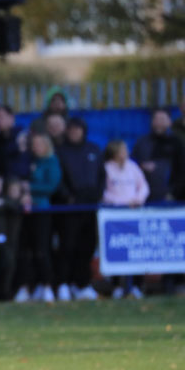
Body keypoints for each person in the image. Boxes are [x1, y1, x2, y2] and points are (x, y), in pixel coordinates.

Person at [56, 118, 105, 301]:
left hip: (90, 206)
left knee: (87, 246)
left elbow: (101, 175)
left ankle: (82, 283)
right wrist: (67, 196)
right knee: (68, 246)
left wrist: (97, 195)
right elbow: (58, 177)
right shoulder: (61, 151)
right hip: (70, 208)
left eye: (77, 129)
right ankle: (63, 283)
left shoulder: (94, 149)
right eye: (71, 129)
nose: (74, 132)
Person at [13, 133, 61, 304]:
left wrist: (29, 188)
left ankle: (47, 286)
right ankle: (25, 287)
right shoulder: (28, 160)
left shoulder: (51, 162)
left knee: (42, 249)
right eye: (33, 144)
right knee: (24, 250)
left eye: (39, 144)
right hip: (25, 210)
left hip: (41, 211)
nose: (35, 147)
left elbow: (51, 186)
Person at [102, 140, 150, 299]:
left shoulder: (133, 167)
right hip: (115, 216)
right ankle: (117, 285)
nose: (125, 153)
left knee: (136, 249)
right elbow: (103, 192)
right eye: (121, 150)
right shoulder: (106, 168)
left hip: (134, 213)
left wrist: (138, 199)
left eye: (125, 150)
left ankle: (136, 285)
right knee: (117, 249)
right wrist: (120, 203)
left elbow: (143, 186)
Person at [133, 108, 185, 203]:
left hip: (171, 198)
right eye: (156, 119)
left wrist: (173, 193)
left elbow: (182, 171)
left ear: (169, 122)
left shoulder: (176, 143)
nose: (158, 122)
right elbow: (132, 164)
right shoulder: (142, 142)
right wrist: (141, 165)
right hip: (145, 197)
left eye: (162, 119)